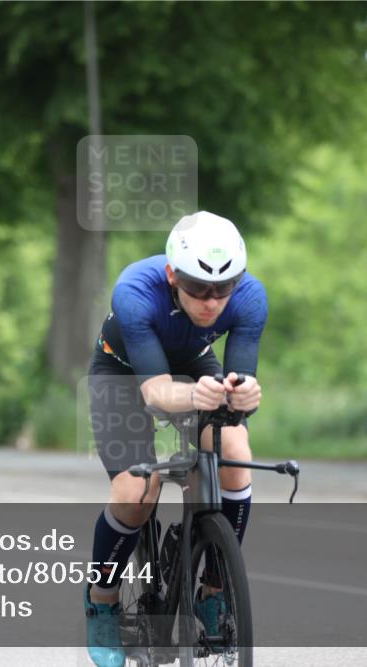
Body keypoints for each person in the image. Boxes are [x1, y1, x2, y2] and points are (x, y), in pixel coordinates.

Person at [83, 211, 267, 667]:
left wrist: (245, 394)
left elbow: (238, 382)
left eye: (222, 289)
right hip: (123, 374)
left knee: (234, 450)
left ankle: (214, 588)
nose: (211, 302)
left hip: (192, 364)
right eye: (197, 288)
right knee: (136, 492)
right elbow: (156, 393)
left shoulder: (250, 297)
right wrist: (194, 394)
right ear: (172, 275)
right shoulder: (134, 290)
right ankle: (102, 599)